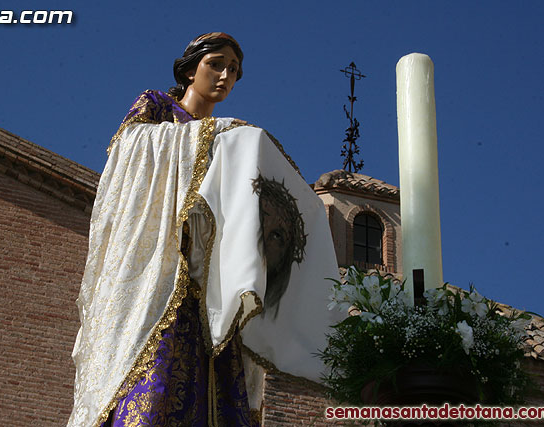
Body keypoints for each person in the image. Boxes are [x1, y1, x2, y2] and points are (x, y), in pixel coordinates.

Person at [69, 32, 342, 427]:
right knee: (158, 371)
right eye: (215, 63)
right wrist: (211, 138)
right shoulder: (159, 107)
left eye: (233, 70)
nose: (225, 75)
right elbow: (128, 153)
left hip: (211, 283)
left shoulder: (228, 141)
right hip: (163, 275)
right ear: (189, 68)